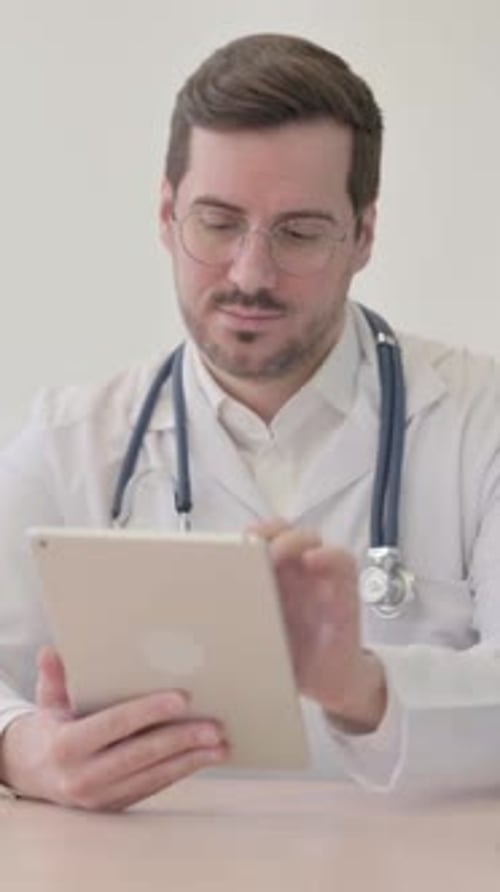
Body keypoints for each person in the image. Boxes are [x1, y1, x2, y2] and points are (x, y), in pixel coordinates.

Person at [1, 32, 500, 812]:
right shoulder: (72, 441)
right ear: (167, 215)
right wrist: (17, 747)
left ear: (363, 235)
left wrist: (360, 686)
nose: (250, 273)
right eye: (218, 222)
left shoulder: (479, 421)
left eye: (299, 232)